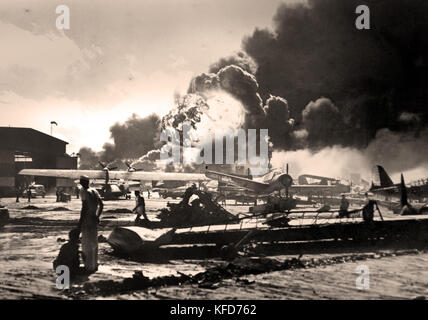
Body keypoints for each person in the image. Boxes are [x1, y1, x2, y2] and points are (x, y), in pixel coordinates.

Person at [77, 175, 103, 274]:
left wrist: (80, 221)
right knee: (94, 242)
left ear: (83, 182)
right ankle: (94, 264)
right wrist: (97, 216)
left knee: (86, 242)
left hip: (87, 219)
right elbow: (101, 204)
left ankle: (88, 266)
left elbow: (84, 208)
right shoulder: (95, 191)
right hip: (93, 219)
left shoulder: (83, 191)